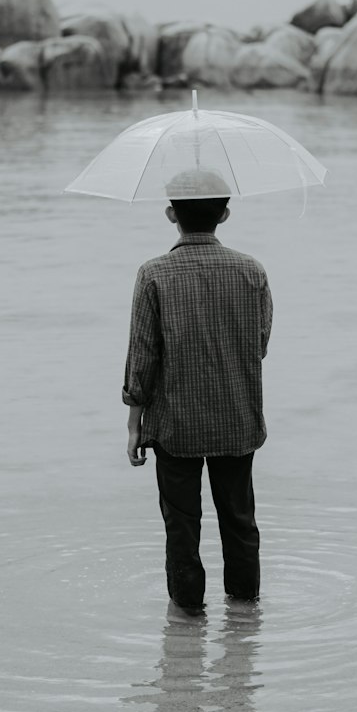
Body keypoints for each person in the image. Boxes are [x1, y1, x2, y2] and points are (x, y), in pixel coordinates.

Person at [122, 169, 273, 613]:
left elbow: (143, 356)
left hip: (175, 426)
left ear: (171, 214)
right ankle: (245, 620)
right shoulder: (252, 271)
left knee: (182, 528)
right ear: (225, 214)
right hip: (237, 419)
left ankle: (186, 625)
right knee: (240, 521)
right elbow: (258, 346)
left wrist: (134, 424)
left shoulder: (153, 274)